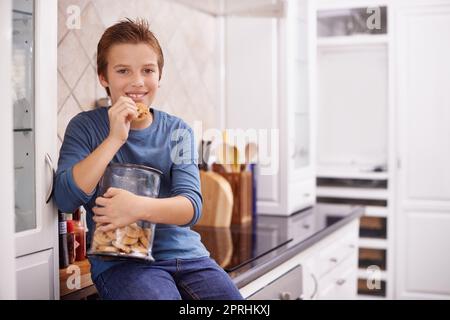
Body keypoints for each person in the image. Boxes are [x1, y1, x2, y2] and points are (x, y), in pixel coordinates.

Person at [54, 18, 243, 300]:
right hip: (123, 265)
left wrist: (136, 207)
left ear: (159, 75)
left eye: (147, 70)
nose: (138, 82)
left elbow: (191, 207)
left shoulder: (178, 131)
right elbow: (67, 198)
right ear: (103, 77)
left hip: (190, 258)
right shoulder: (85, 127)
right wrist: (115, 138)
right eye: (123, 71)